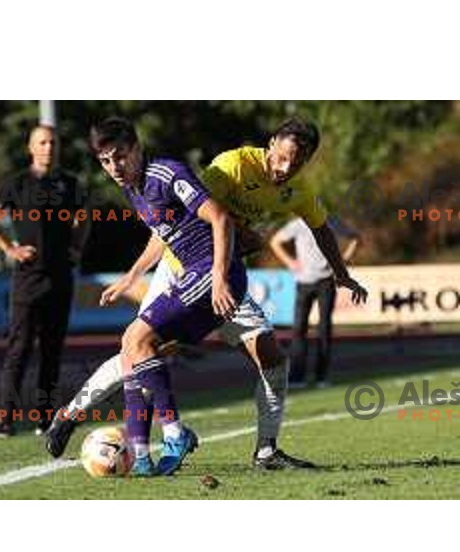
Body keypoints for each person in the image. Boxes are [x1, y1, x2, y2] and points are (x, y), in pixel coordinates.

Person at [46, 117, 368, 470]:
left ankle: (265, 451)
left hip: (220, 274)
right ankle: (88, 421)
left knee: (272, 359)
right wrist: (135, 274)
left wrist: (342, 274)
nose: (286, 167)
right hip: (184, 268)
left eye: (298, 161)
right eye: (283, 156)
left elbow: (321, 230)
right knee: (136, 348)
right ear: (272, 143)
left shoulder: (299, 190)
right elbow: (184, 220)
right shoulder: (231, 166)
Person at [86, 116, 247, 477]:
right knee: (132, 353)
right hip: (192, 274)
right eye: (105, 161)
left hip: (213, 271)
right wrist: (130, 277)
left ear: (137, 149)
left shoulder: (166, 174)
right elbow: (162, 233)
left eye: (120, 156)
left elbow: (221, 219)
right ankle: (141, 456)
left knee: (136, 337)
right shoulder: (133, 188)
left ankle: (175, 434)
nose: (114, 167)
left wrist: (219, 277)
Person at [0, 125, 84, 438]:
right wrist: (9, 248)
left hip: (60, 278)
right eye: (42, 142)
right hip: (27, 279)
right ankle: (4, 420)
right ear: (31, 147)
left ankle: (44, 419)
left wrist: (75, 247)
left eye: (53, 142)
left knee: (52, 351)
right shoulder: (17, 183)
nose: (48, 147)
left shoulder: (70, 184)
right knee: (20, 348)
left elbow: (83, 220)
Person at [270, 216, 360, 388]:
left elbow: (355, 237)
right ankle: (297, 377)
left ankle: (321, 377)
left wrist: (343, 260)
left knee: (324, 328)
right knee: (299, 329)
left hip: (326, 281)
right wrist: (290, 262)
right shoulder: (297, 224)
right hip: (303, 282)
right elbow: (275, 241)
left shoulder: (332, 222)